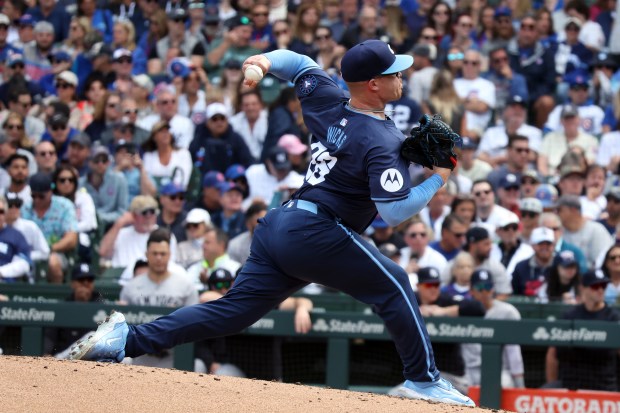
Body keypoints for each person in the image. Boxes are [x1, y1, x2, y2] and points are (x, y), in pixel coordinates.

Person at [69, 40, 475, 407]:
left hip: (282, 225)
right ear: (372, 83)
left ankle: (127, 338)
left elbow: (297, 63)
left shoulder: (330, 97)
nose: (401, 77)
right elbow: (394, 212)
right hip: (316, 232)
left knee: (233, 312)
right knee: (396, 283)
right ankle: (423, 380)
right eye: (393, 72)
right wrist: (440, 177)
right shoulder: (382, 140)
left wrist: (262, 62)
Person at [545, 269, 620, 391]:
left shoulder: (613, 317)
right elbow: (552, 355)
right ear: (583, 288)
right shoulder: (569, 316)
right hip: (570, 385)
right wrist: (552, 386)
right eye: (595, 286)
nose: (600, 290)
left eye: (603, 285)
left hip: (604, 387)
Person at [462, 269, 525, 389]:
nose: (485, 291)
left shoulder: (508, 312)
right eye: (480, 287)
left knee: (501, 384)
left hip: (499, 371)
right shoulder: (462, 311)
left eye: (488, 286)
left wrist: (520, 386)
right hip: (469, 372)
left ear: (493, 288)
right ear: (471, 291)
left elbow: (514, 354)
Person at [44, 264, 104, 358]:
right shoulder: (63, 307)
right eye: (81, 280)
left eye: (89, 280)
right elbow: (50, 337)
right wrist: (47, 352)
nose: (85, 283)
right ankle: (57, 360)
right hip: (65, 363)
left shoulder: (102, 306)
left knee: (93, 337)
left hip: (95, 362)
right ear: (72, 284)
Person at [0, 194, 31, 282]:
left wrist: (2, 271)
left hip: (5, 284)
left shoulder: (16, 235)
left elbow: (24, 264)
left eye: (1, 212)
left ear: (5, 214)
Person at [227, 201, 268, 266]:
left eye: (265, 220)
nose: (263, 225)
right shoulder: (236, 245)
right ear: (248, 223)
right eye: (259, 221)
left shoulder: (277, 241)